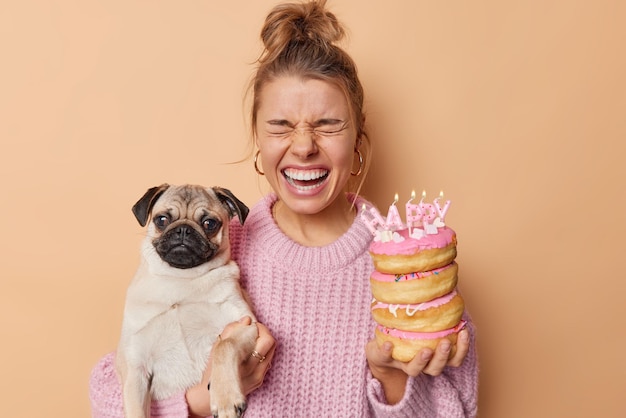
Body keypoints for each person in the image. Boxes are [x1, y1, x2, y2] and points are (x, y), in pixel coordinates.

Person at [89, 1, 479, 416]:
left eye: (328, 124)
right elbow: (110, 392)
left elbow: (460, 407)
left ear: (358, 137)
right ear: (257, 136)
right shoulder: (218, 247)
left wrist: (392, 378)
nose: (305, 146)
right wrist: (198, 403)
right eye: (280, 126)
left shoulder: (407, 262)